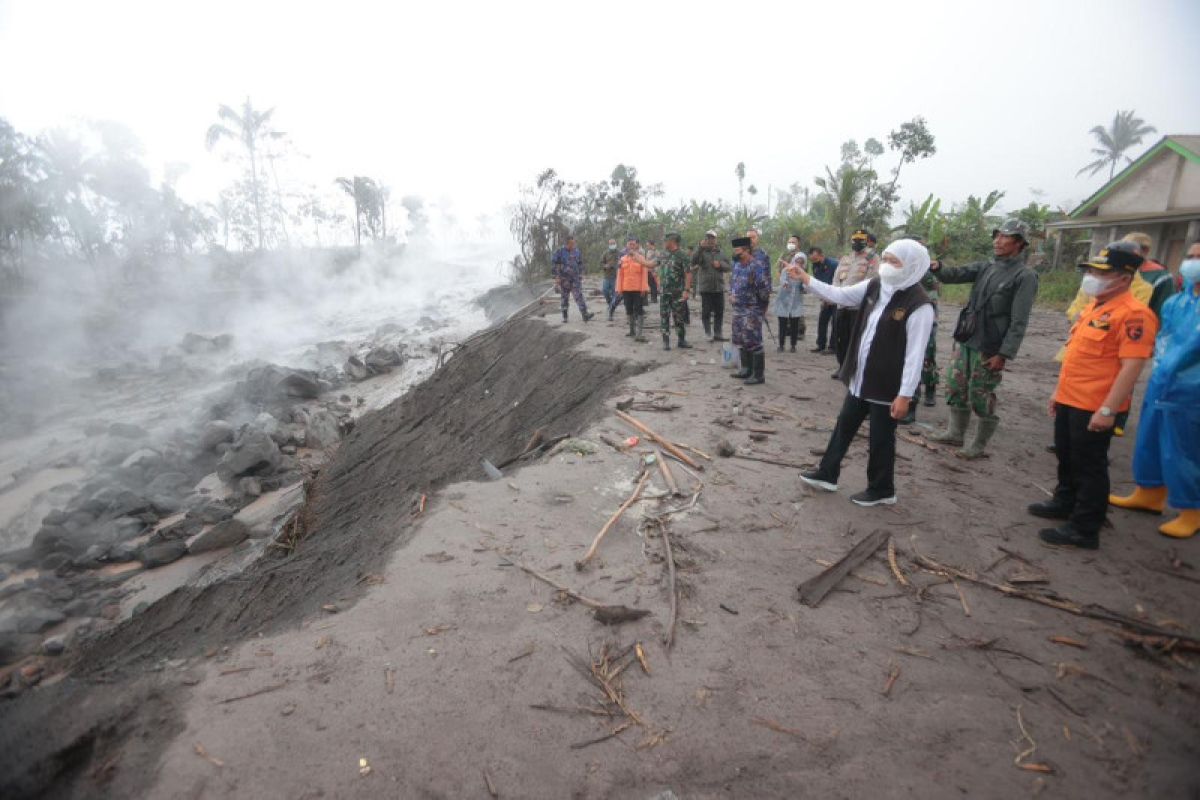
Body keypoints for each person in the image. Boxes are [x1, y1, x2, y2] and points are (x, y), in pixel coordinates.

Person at [1029, 242, 1157, 549]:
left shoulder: (1135, 314)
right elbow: (1077, 356)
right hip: (1071, 398)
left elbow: (1132, 367)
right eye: (1091, 271)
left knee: (1090, 465)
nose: (1092, 277)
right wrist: (1058, 393)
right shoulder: (1094, 307)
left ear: (1124, 278)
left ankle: (1085, 527)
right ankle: (1064, 502)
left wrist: (1109, 409)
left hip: (1096, 404)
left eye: (1101, 272)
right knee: (1066, 455)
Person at [797, 239, 935, 506]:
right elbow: (840, 295)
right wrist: (806, 279)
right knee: (844, 426)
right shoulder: (876, 286)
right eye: (885, 258)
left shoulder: (919, 305)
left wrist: (905, 395)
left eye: (894, 261)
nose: (887, 265)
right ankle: (827, 473)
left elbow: (915, 356)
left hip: (887, 385)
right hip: (861, 378)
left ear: (912, 266)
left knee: (881, 438)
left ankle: (882, 489)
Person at [1108, 240, 1200, 539]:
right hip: (1163, 380)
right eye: (1190, 256)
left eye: (1198, 257)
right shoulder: (1177, 302)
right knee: (1150, 437)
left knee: (1185, 448)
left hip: (1193, 391)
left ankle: (1192, 509)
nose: (1192, 262)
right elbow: (1163, 339)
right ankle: (1149, 492)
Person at [929, 218, 1039, 458]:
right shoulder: (987, 266)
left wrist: (1004, 354)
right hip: (968, 338)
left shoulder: (1025, 276)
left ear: (1019, 243)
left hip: (990, 346)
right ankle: (955, 433)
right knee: (956, 386)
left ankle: (978, 445)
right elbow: (954, 274)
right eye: (996, 235)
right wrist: (937, 266)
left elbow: (1019, 321)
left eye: (1004, 236)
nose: (997, 241)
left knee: (981, 393)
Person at [832, 229, 880, 375]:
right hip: (841, 305)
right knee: (839, 338)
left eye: (860, 240)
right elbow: (836, 278)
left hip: (857, 307)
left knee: (856, 339)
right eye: (855, 240)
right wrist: (835, 293)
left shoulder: (872, 258)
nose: (857, 243)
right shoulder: (846, 258)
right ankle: (841, 366)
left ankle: (853, 368)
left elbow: (872, 280)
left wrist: (854, 295)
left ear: (866, 241)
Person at [729, 236, 771, 384]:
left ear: (747, 251)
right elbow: (732, 282)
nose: (735, 253)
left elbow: (764, 288)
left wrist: (763, 307)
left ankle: (758, 375)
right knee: (740, 338)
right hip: (738, 309)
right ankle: (746, 369)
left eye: (738, 250)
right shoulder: (737, 265)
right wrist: (731, 294)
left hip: (752, 309)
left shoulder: (756, 265)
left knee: (753, 340)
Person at [657, 233, 694, 351]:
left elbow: (688, 273)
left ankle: (681, 340)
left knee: (679, 317)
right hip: (664, 292)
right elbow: (651, 264)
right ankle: (666, 342)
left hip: (677, 292)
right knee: (664, 316)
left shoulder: (682, 256)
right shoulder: (663, 254)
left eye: (665, 240)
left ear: (672, 241)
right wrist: (636, 256)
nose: (664, 242)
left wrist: (687, 290)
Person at [692, 230, 731, 341]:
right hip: (706, 288)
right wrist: (700, 248)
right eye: (708, 238)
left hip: (718, 287)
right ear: (705, 240)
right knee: (706, 311)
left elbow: (729, 266)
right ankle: (708, 333)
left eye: (712, 238)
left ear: (716, 239)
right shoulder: (702, 252)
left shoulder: (721, 253)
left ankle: (718, 333)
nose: (710, 240)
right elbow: (694, 261)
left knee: (719, 311)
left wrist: (720, 265)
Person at [773, 236, 807, 352]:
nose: (798, 263)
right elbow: (781, 275)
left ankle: (794, 344)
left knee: (795, 323)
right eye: (789, 242)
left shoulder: (802, 268)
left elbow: (806, 283)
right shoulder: (784, 257)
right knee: (782, 323)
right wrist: (785, 283)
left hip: (796, 300)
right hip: (784, 299)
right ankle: (781, 345)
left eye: (794, 242)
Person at [551, 235, 594, 323]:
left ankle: (585, 314)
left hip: (575, 279)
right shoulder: (560, 251)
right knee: (564, 298)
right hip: (564, 279)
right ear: (567, 243)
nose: (573, 245)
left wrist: (581, 274)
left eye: (574, 243)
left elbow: (580, 263)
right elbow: (554, 264)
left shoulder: (577, 251)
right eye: (571, 243)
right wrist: (557, 277)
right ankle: (565, 316)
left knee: (579, 296)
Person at [617, 237, 651, 342]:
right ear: (627, 246)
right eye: (629, 244)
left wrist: (644, 288)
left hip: (638, 289)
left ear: (636, 245)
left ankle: (639, 333)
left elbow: (645, 275)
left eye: (633, 244)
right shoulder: (622, 259)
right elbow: (620, 275)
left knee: (639, 309)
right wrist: (619, 288)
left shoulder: (641, 258)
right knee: (628, 309)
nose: (631, 246)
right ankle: (631, 330)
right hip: (626, 288)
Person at [808, 247, 839, 353]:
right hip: (825, 298)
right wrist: (823, 298)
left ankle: (833, 347)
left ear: (821, 255)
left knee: (835, 322)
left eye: (816, 259)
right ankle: (821, 345)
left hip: (836, 296)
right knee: (822, 321)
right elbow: (818, 283)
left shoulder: (834, 264)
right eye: (812, 260)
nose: (814, 262)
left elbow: (837, 281)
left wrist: (832, 297)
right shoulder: (815, 266)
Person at [600, 238, 620, 317]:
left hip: (616, 276)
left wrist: (615, 266)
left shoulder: (619, 253)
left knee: (615, 293)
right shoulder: (605, 253)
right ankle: (610, 303)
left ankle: (612, 307)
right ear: (609, 245)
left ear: (616, 243)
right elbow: (601, 263)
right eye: (611, 244)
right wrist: (605, 266)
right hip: (607, 276)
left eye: (613, 243)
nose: (612, 245)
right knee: (605, 291)